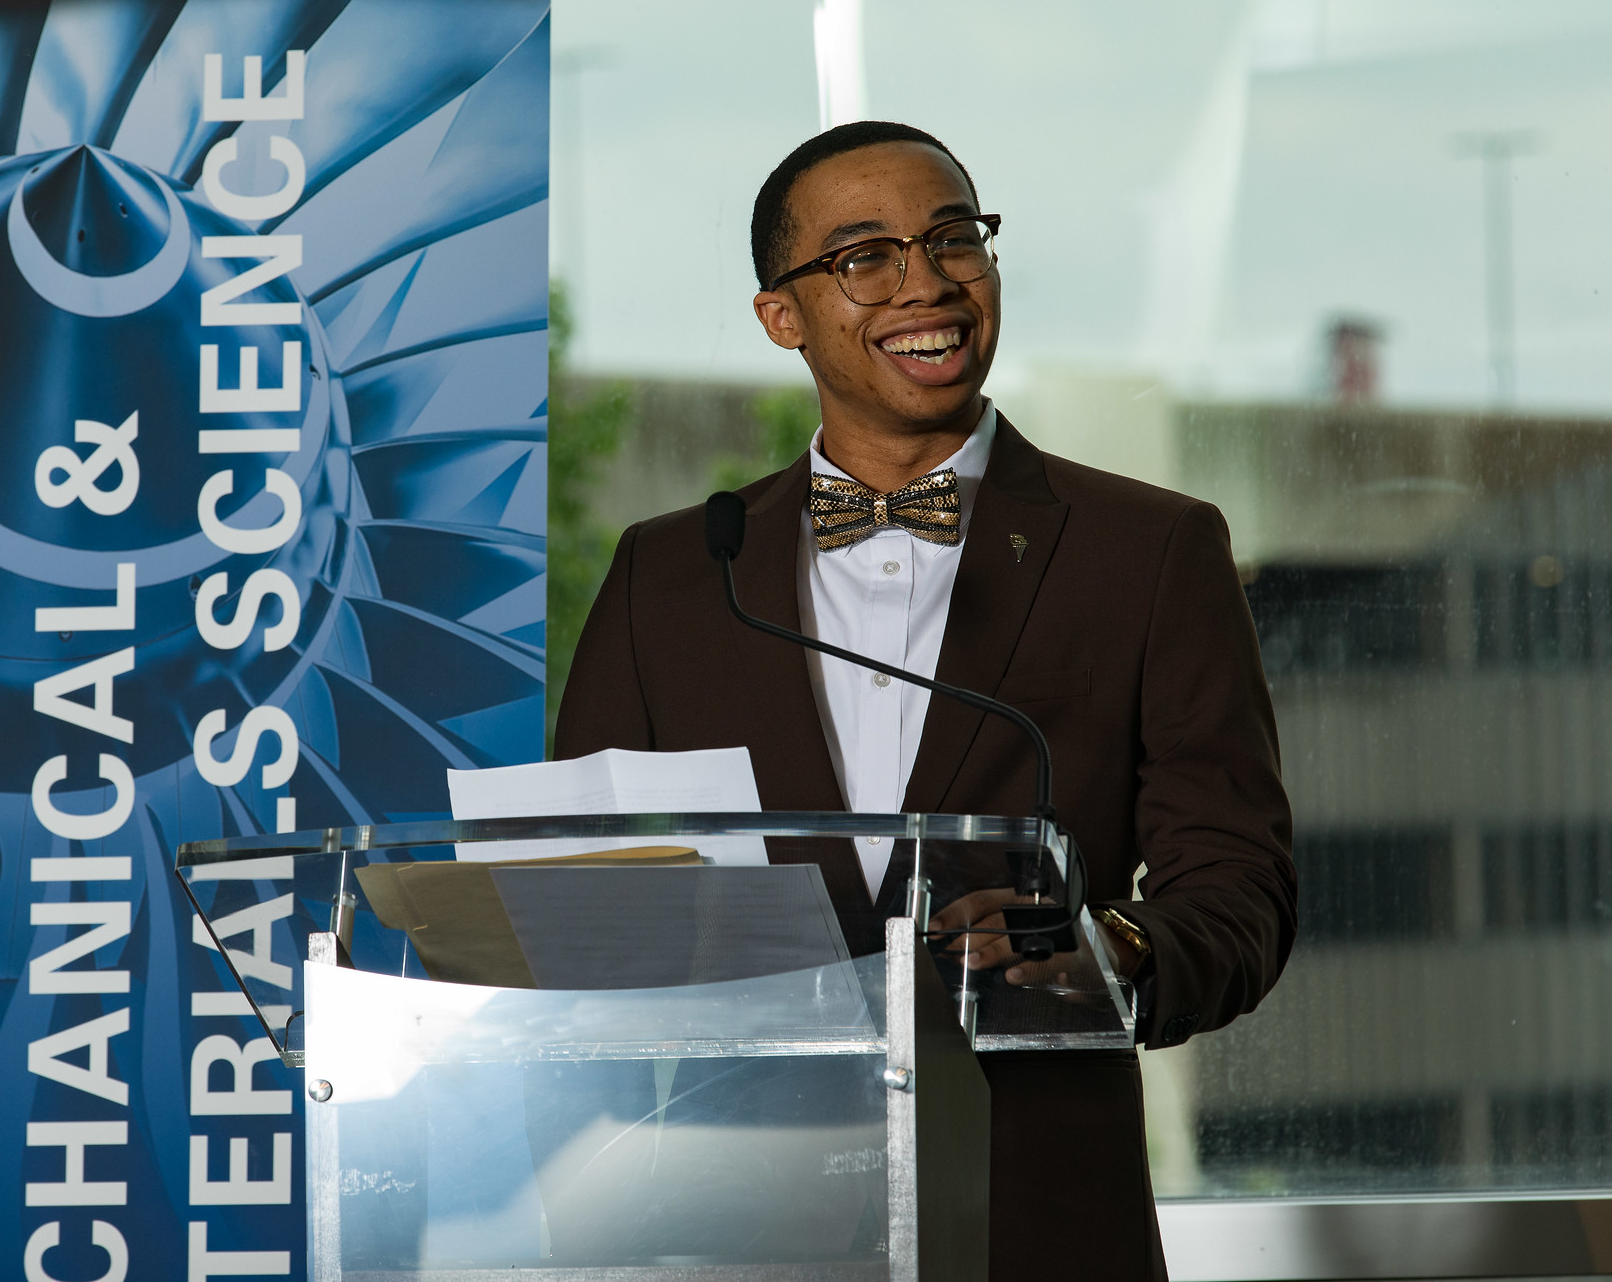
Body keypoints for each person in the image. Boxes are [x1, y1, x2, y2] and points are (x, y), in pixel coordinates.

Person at [555, 120, 1296, 1281]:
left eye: (954, 238)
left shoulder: (1149, 551)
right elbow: (582, 897)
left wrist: (1107, 947)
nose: (925, 281)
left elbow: (1241, 892)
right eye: (864, 256)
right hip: (735, 1225)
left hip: (1039, 1221)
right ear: (780, 315)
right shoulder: (673, 573)